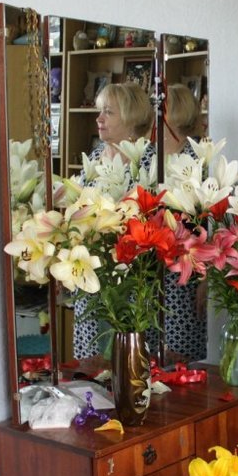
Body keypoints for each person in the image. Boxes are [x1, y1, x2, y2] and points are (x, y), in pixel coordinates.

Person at [72, 82, 155, 360]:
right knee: (92, 362)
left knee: (129, 359)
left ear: (132, 119)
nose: (99, 118)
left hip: (131, 278)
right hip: (93, 274)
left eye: (108, 112)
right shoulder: (95, 157)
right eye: (100, 111)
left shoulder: (148, 161)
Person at [160, 84, 207, 361]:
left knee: (180, 357)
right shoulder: (152, 156)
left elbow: (207, 224)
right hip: (155, 272)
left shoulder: (195, 160)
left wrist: (205, 281)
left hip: (185, 273)